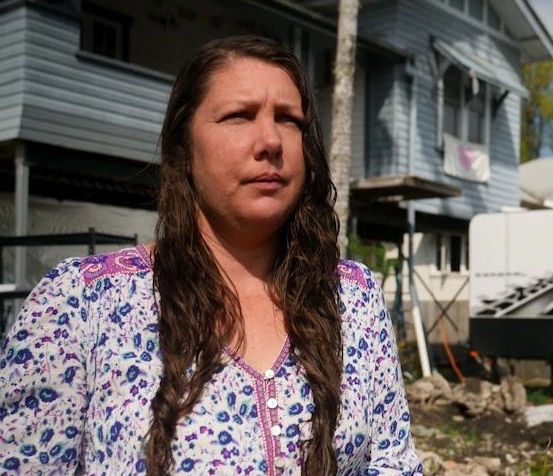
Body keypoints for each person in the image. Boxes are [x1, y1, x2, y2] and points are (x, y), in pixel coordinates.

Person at [0, 35, 422, 475]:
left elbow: (393, 463)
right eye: (239, 116)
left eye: (289, 119)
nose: (270, 141)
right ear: (185, 150)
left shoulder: (352, 297)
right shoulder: (82, 302)